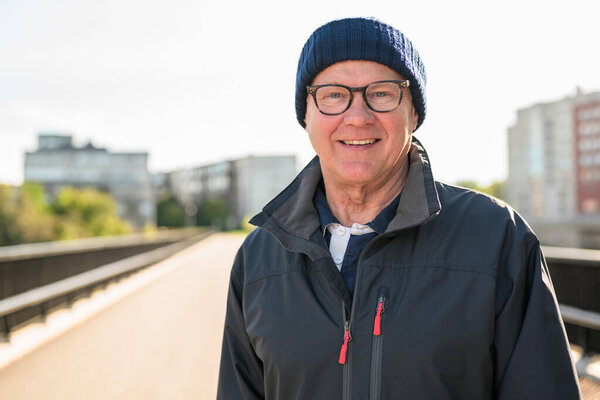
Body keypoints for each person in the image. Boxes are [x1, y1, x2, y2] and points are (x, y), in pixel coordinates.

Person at [217, 17, 582, 399]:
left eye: (382, 93)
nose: (357, 116)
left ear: (415, 114)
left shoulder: (496, 238)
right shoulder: (258, 260)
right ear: (305, 115)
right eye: (333, 95)